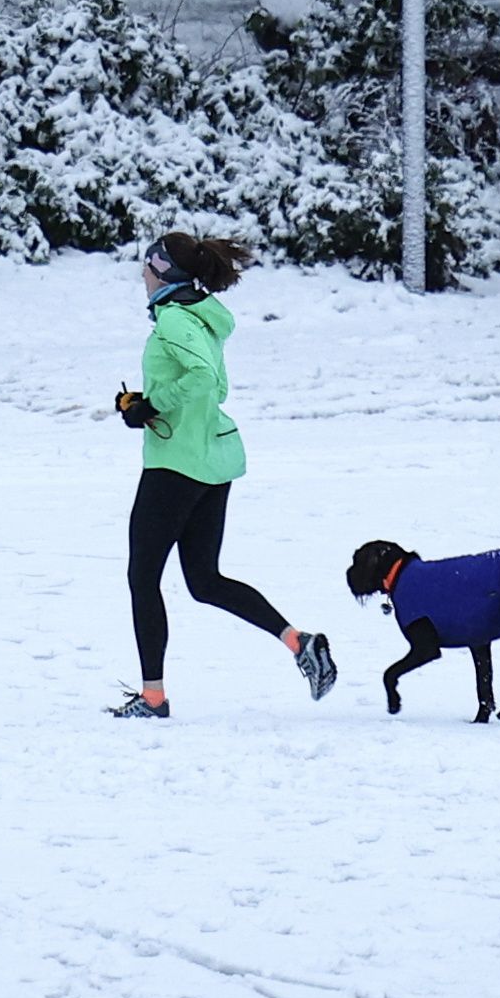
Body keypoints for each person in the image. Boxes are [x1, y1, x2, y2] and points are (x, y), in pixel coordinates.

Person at [105, 229, 335, 720]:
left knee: (142, 579)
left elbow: (205, 380)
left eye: (147, 266)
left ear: (163, 272)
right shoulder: (202, 319)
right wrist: (145, 407)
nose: (141, 275)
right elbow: (217, 384)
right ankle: (300, 643)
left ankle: (153, 698)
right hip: (213, 460)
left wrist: (154, 405)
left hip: (176, 465)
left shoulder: (173, 320)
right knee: (204, 581)